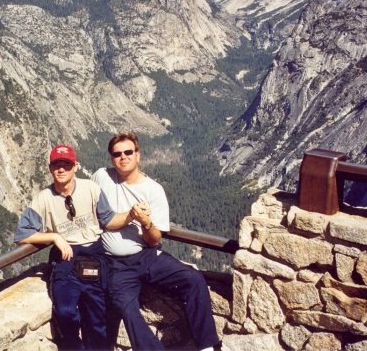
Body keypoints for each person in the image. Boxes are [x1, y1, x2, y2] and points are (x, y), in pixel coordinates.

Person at [92, 132, 220, 351]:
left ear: (138, 155)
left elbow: (153, 240)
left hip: (147, 256)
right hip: (116, 264)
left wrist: (146, 223)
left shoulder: (153, 190)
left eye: (128, 152)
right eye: (117, 154)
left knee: (193, 279)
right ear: (111, 158)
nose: (123, 157)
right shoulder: (101, 177)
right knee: (126, 307)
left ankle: (208, 346)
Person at [14, 144, 133, 351]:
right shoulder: (44, 198)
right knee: (65, 311)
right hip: (65, 259)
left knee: (97, 317)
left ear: (75, 166)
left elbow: (108, 219)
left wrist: (131, 216)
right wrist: (54, 238)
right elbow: (22, 234)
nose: (61, 169)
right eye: (56, 165)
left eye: (66, 165)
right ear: (50, 168)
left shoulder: (91, 189)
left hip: (93, 255)